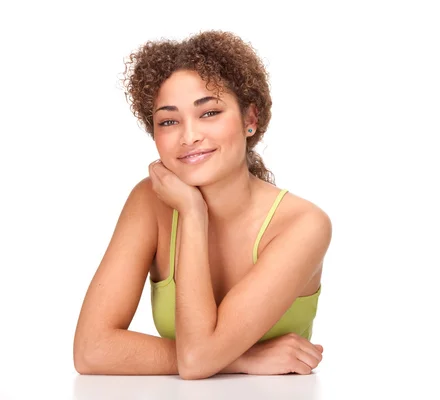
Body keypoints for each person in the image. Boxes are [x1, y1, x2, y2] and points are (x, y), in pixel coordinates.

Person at [73, 30, 332, 380]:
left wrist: (193, 215)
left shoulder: (304, 224)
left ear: (250, 120)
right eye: (168, 121)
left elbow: (196, 361)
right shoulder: (149, 202)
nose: (189, 135)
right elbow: (91, 350)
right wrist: (245, 358)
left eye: (209, 113)